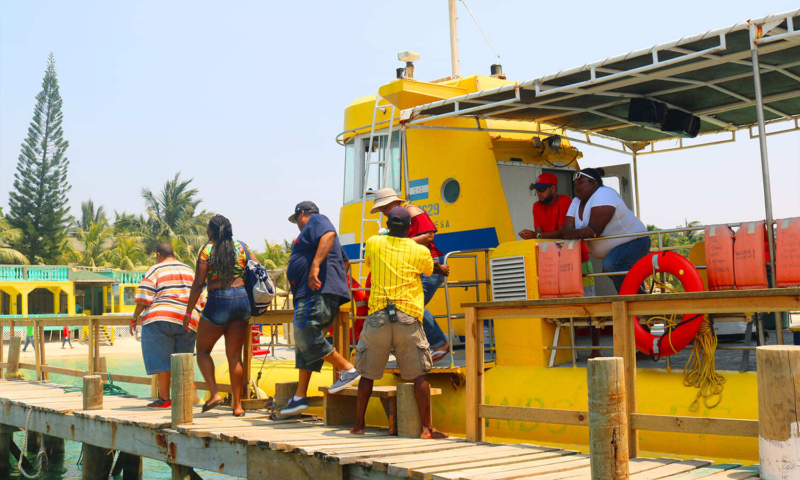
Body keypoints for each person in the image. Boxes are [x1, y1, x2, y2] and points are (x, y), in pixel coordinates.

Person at [351, 207, 449, 439]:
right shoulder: (419, 250)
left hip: (378, 317)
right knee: (419, 375)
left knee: (367, 375)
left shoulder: (374, 242)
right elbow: (429, 268)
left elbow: (368, 263)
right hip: (407, 316)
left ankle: (359, 426)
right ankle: (427, 429)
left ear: (387, 224)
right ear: (409, 228)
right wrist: (440, 268)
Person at [281, 201, 361, 416]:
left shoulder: (317, 220)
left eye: (296, 220)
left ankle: (347, 369)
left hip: (314, 293)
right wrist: (333, 280)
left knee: (306, 336)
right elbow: (345, 262)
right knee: (305, 347)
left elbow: (328, 234)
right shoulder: (317, 233)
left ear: (302, 214)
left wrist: (315, 269)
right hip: (317, 292)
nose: (297, 224)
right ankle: (299, 397)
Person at [519, 172, 600, 356]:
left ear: (553, 188)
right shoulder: (536, 207)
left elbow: (564, 233)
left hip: (578, 258)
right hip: (553, 262)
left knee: (590, 304)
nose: (538, 193)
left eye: (542, 190)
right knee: (559, 306)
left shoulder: (566, 202)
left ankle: (596, 350)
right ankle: (569, 351)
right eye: (536, 190)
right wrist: (535, 235)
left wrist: (536, 235)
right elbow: (540, 233)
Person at [370, 188, 450, 362]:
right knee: (409, 306)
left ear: (392, 203)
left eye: (383, 208)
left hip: (430, 260)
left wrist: (399, 243)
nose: (383, 213)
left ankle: (440, 343)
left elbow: (429, 236)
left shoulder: (413, 212)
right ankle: (423, 344)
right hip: (417, 262)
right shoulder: (405, 215)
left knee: (415, 306)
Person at [185, 215, 253, 417]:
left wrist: (188, 312)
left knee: (203, 350)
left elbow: (198, 284)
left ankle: (214, 394)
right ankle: (238, 406)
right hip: (242, 299)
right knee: (234, 355)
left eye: (208, 228)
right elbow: (256, 268)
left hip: (219, 300)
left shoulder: (207, 250)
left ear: (212, 231)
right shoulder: (241, 247)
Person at [132, 243, 204, 409]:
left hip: (161, 318)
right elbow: (201, 296)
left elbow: (144, 296)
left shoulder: (155, 269)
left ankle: (164, 399)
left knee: (161, 358)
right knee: (183, 357)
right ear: (173, 253)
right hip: (188, 318)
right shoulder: (188, 270)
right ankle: (186, 394)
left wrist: (134, 317)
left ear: (158, 254)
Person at [563, 168, 650, 293]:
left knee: (611, 265)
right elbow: (566, 232)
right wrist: (581, 232)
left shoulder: (604, 194)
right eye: (575, 184)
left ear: (593, 183)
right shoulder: (576, 202)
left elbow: (594, 230)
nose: (576, 187)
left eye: (580, 183)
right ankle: (637, 304)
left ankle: (639, 299)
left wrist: (577, 232)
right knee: (613, 267)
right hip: (617, 250)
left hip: (635, 241)